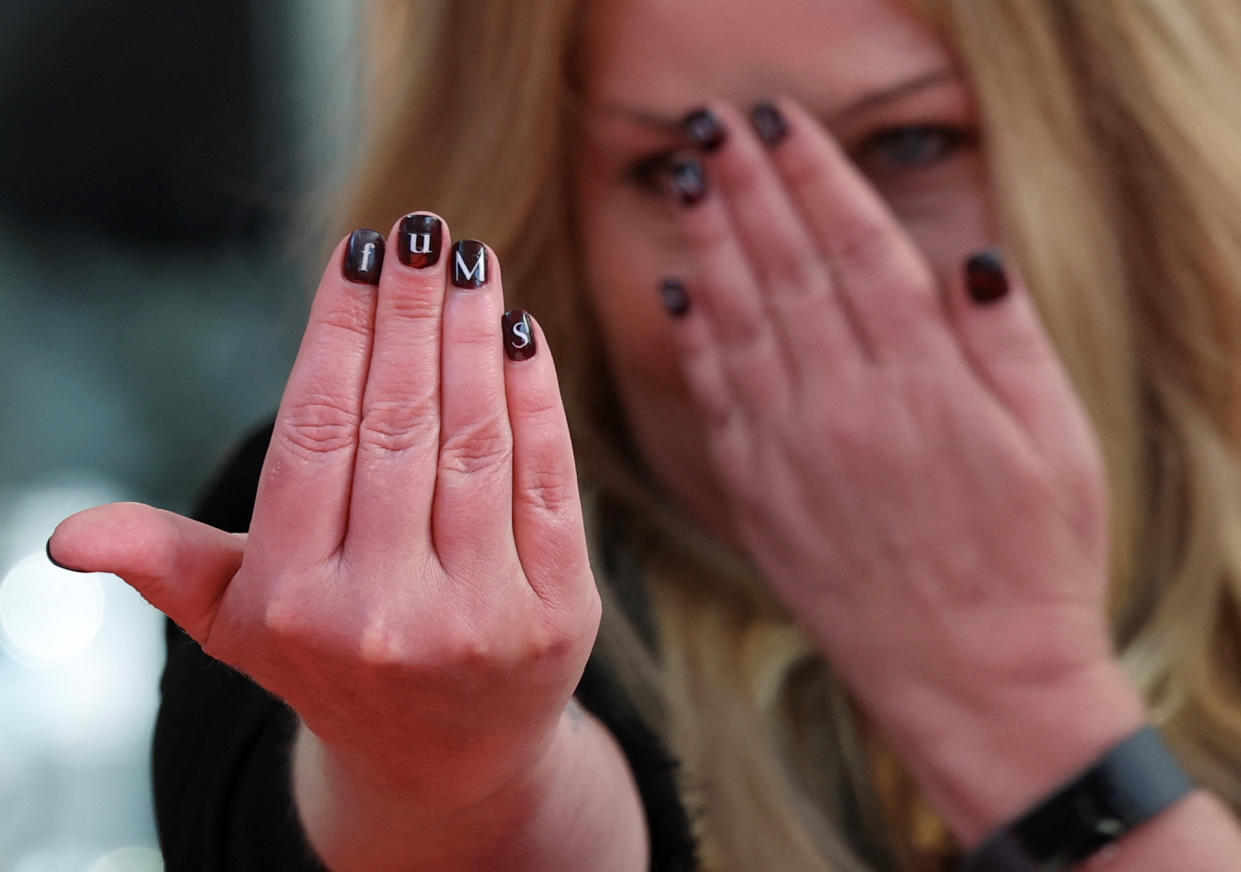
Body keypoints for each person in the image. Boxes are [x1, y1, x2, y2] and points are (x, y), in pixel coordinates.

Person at [44, 0, 1241, 869]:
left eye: (908, 144)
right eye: (678, 169)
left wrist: (1022, 708)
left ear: (1117, 158)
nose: (805, 273)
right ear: (552, 196)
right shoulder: (385, 544)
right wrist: (458, 767)